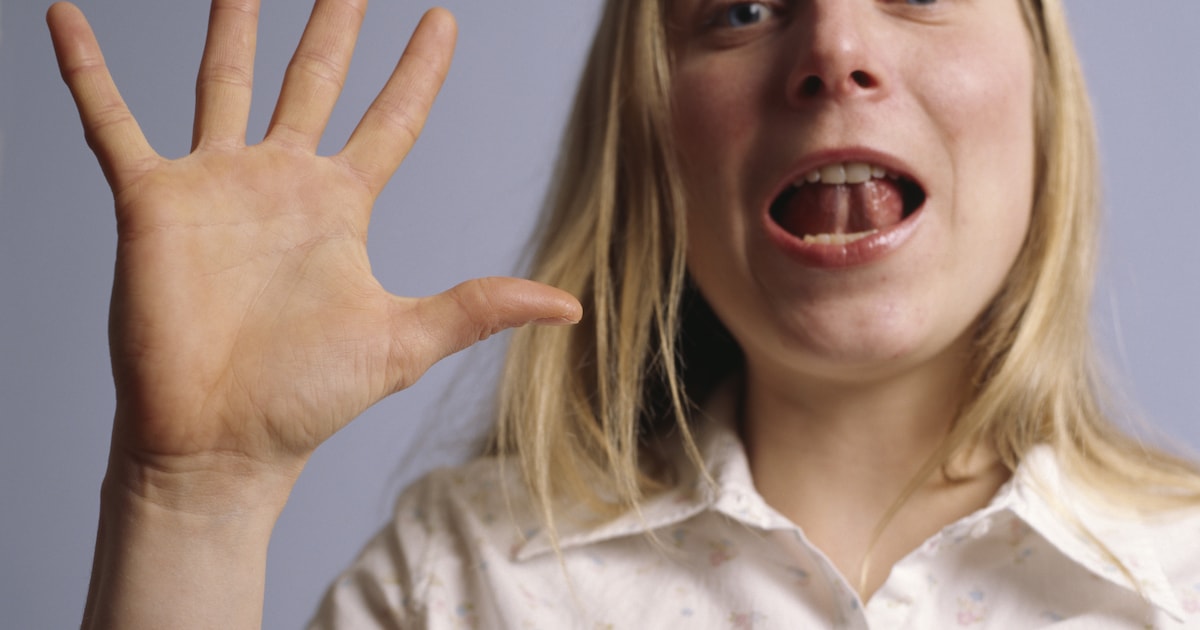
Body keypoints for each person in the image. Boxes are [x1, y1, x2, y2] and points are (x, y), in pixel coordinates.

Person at [48, 0, 1200, 628]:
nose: (836, 48)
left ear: (1045, 94)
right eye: (742, 6)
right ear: (650, 142)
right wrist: (194, 499)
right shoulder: (468, 579)